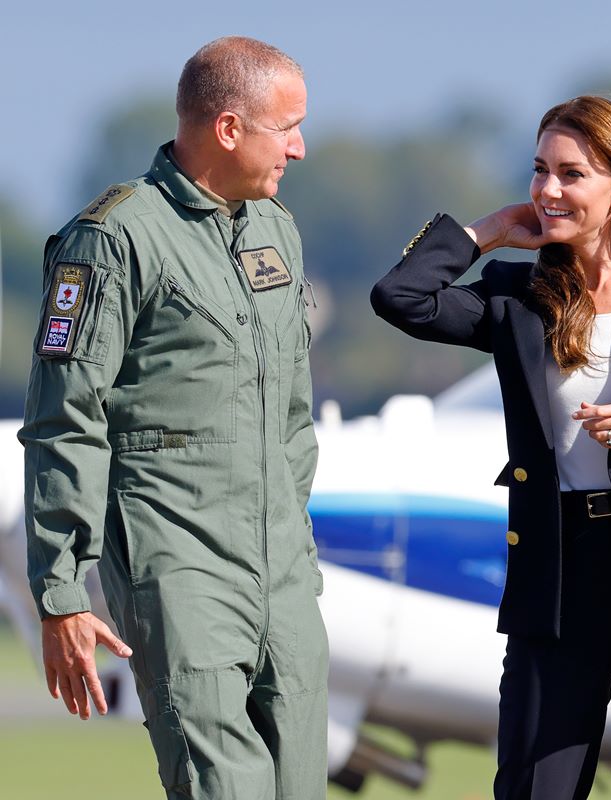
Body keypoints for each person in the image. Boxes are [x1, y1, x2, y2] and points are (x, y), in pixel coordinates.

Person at [371, 95, 611, 799]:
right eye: (539, 171)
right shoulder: (513, 293)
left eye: (571, 173)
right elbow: (401, 296)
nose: (548, 190)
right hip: (557, 581)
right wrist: (491, 231)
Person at [20, 37, 327, 799]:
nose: (300, 146)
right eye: (285, 127)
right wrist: (61, 593)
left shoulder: (273, 228)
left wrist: (299, 553)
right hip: (180, 570)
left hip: (285, 579)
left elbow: (292, 415)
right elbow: (66, 418)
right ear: (228, 129)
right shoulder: (113, 240)